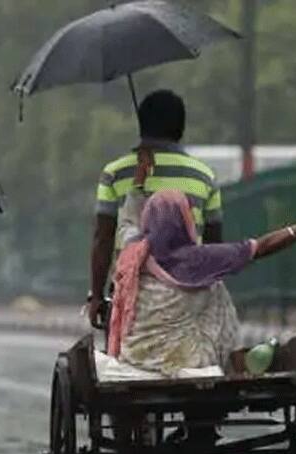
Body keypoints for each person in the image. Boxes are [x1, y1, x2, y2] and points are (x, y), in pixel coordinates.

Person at [105, 189, 296, 454]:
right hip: (194, 363)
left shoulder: (132, 254)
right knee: (214, 292)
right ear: (186, 221)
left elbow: (126, 226)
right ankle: (197, 433)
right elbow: (263, 246)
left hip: (139, 358)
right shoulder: (203, 258)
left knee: (114, 383)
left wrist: (136, 188)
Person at [89, 89, 222, 327]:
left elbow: (103, 237)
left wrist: (97, 296)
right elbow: (214, 245)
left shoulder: (115, 173)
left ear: (141, 126)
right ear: (180, 128)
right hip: (187, 297)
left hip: (130, 297)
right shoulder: (204, 177)